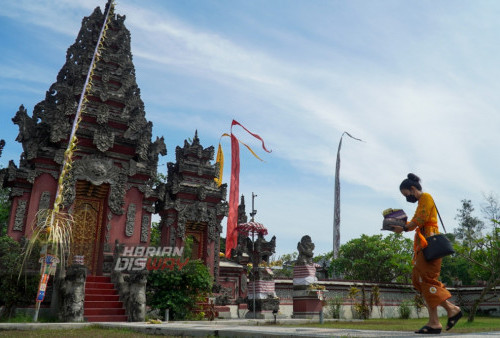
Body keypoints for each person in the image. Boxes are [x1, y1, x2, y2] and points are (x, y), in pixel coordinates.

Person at [391, 173, 462, 334]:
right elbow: (415, 221)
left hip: (430, 246)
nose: (407, 198)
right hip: (423, 247)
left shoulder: (427, 198)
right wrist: (398, 225)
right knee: (420, 281)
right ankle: (434, 322)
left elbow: (420, 219)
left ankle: (452, 309)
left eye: (406, 194)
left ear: (413, 188)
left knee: (427, 281)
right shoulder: (422, 201)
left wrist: (403, 228)